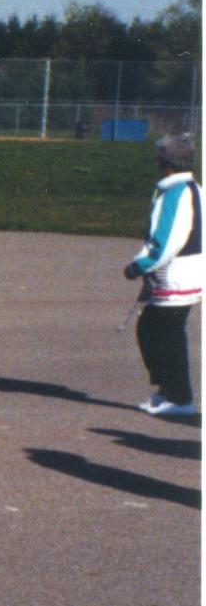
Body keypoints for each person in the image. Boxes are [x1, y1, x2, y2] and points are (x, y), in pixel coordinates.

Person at [125, 132, 201, 417]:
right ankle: (169, 391)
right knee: (157, 331)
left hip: (175, 277)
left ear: (165, 162)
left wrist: (137, 267)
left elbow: (165, 242)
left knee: (161, 334)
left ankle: (180, 397)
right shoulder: (195, 188)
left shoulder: (174, 193)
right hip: (187, 274)